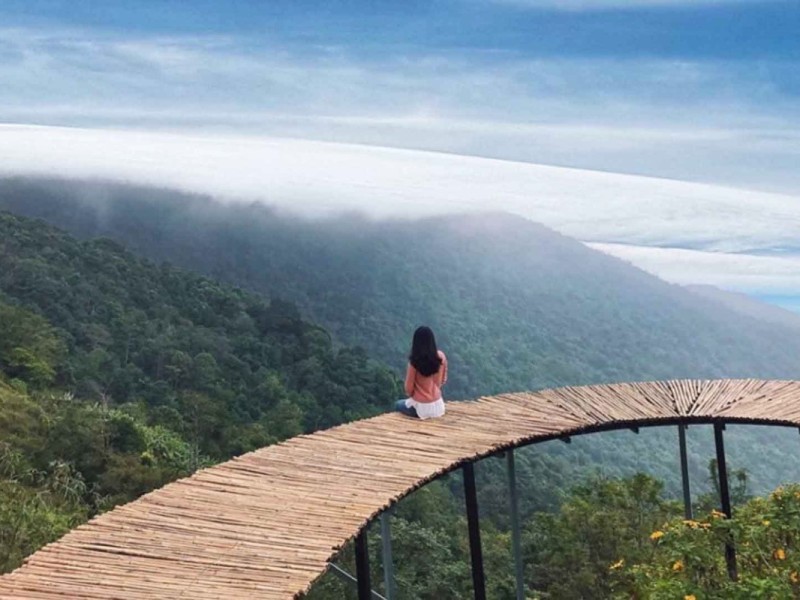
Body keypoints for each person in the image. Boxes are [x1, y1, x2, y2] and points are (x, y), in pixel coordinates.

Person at [395, 326, 447, 420]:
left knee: (398, 404)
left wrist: (416, 396)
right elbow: (443, 380)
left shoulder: (414, 361)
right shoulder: (440, 357)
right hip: (439, 406)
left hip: (421, 408)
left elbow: (408, 389)